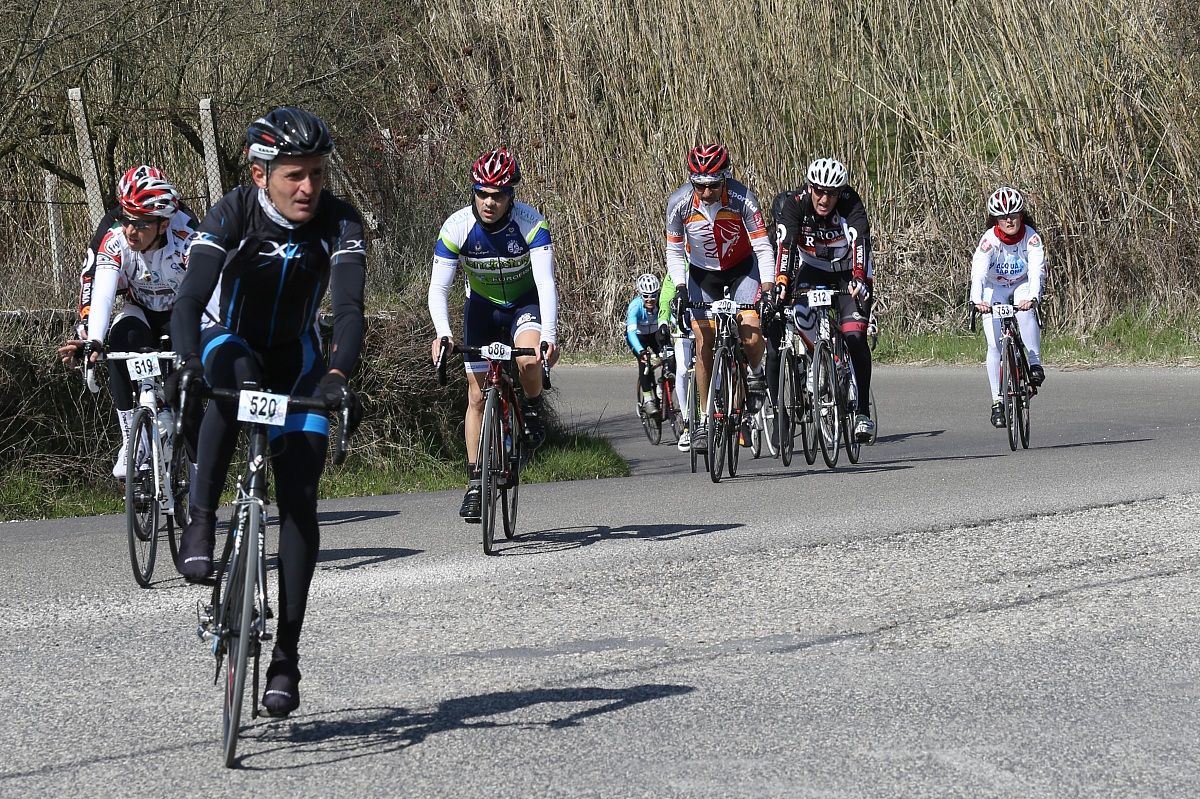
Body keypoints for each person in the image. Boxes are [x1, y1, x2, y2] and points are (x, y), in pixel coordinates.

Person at [168, 106, 366, 717]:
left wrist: (337, 374)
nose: (309, 187)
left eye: (316, 174)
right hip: (234, 345)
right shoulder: (232, 212)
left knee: (300, 498)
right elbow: (190, 297)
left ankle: (286, 655)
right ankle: (201, 519)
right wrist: (186, 363)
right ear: (261, 174)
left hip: (301, 359)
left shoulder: (339, 221)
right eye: (294, 176)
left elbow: (351, 309)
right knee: (235, 377)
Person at [428, 147, 559, 522]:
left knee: (530, 359)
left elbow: (546, 283)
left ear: (511, 195)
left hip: (524, 305)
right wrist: (443, 333)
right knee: (475, 395)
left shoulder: (531, 223)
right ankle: (474, 482)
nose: (489, 202)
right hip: (481, 308)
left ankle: (532, 409)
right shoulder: (456, 228)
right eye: (482, 193)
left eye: (498, 195)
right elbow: (438, 289)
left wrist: (548, 335)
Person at [57, 166, 196, 484]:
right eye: (126, 218)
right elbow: (100, 290)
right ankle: (132, 441)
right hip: (141, 308)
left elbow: (209, 295)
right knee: (118, 338)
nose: (131, 230)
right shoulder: (114, 234)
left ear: (163, 224)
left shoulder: (188, 234)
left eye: (142, 223)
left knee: (183, 393)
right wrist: (91, 339)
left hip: (182, 311)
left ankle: (198, 473)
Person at [665, 144, 774, 451]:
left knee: (751, 333)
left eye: (713, 184)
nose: (706, 191)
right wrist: (680, 288)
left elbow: (763, 248)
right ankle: (702, 420)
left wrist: (766, 290)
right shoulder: (679, 203)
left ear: (725, 178)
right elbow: (674, 251)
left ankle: (755, 374)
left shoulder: (743, 200)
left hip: (742, 270)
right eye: (699, 184)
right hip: (702, 275)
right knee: (703, 343)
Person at [772, 157, 876, 442]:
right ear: (809, 187)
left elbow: (859, 240)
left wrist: (858, 277)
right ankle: (817, 363)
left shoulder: (849, 201)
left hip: (847, 271)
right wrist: (782, 281)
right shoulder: (795, 203)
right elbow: (786, 245)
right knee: (798, 315)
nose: (824, 198)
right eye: (819, 191)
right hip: (813, 269)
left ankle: (863, 411)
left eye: (831, 192)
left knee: (855, 337)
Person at [970, 186, 1046, 427]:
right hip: (995, 288)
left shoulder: (1031, 238)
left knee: (1025, 313)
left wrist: (1033, 297)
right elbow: (978, 275)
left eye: (1013, 215)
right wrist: (977, 300)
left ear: (1021, 216)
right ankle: (997, 402)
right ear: (996, 220)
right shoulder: (988, 241)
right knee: (994, 345)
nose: (1009, 220)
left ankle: (1034, 363)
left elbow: (1036, 270)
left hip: (1023, 284)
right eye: (1003, 217)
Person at [656, 277, 694, 451]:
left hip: (707, 320)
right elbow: (665, 299)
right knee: (683, 369)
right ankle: (686, 424)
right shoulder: (677, 267)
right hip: (684, 325)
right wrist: (663, 322)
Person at [626, 273, 666, 417]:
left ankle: (663, 387)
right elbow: (630, 333)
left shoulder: (662, 303)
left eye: (653, 295)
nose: (650, 299)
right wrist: (641, 351)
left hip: (655, 333)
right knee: (645, 364)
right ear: (640, 295)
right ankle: (648, 399)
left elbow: (672, 318)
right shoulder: (635, 307)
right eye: (646, 296)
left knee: (670, 356)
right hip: (638, 337)